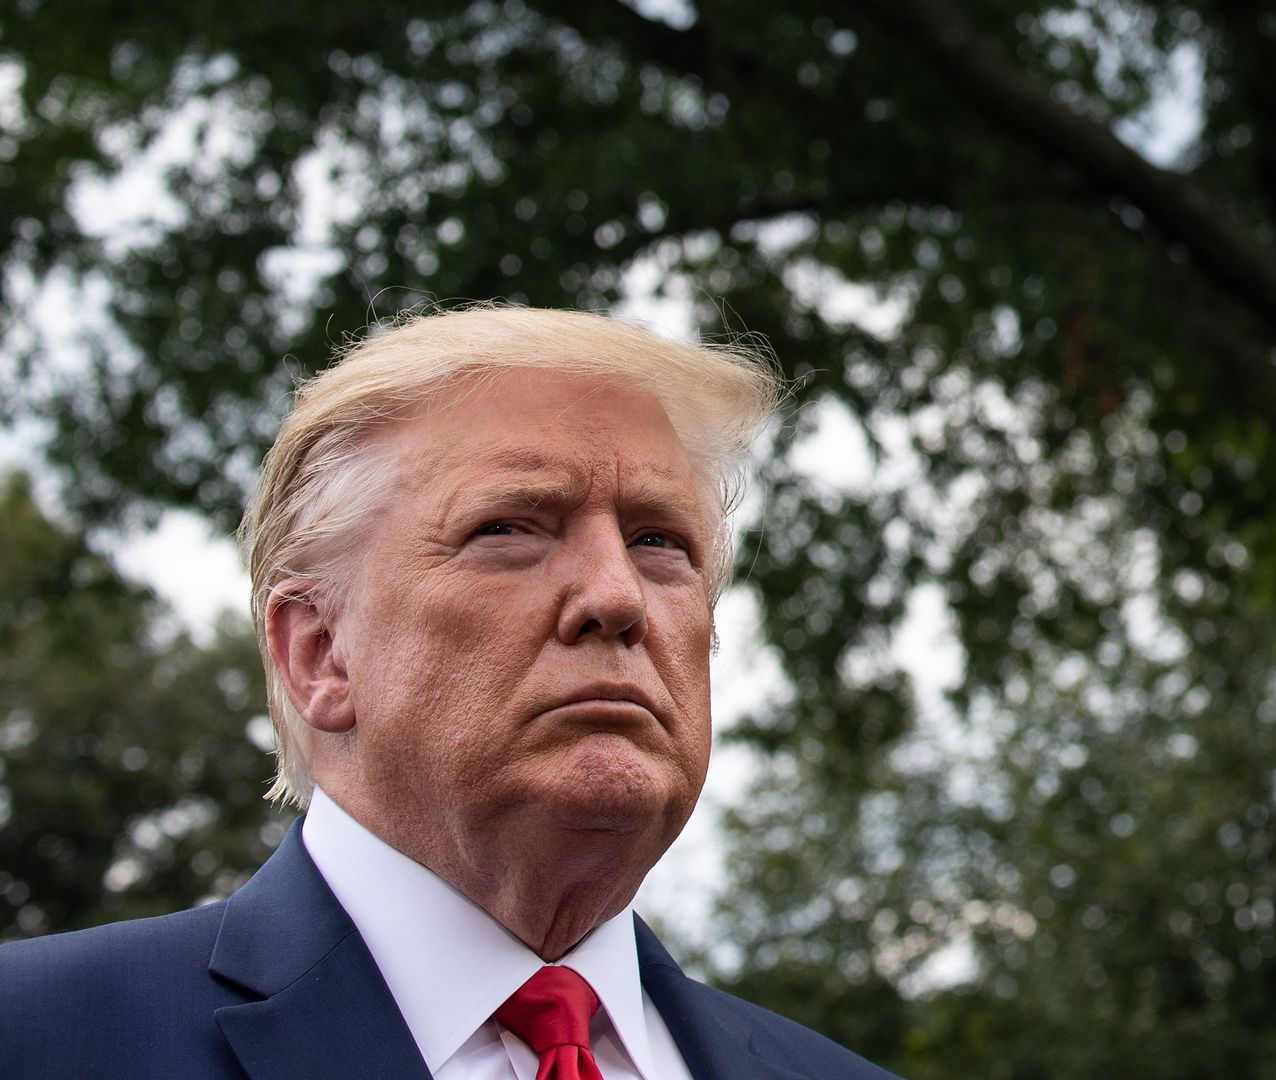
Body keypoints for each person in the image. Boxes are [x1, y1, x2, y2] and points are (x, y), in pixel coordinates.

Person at [0, 307, 899, 1079]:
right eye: (508, 527)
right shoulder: (39, 1039)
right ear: (319, 652)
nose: (617, 597)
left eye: (659, 542)